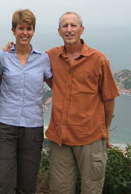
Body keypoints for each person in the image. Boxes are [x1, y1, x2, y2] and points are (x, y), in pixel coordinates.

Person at [45, 12, 119, 194]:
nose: (69, 30)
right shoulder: (51, 56)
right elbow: (27, 58)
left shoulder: (98, 59)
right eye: (65, 26)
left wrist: (105, 129)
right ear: (59, 31)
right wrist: (10, 49)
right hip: (60, 138)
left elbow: (109, 98)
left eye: (73, 25)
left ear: (82, 30)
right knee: (60, 189)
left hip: (90, 137)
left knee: (91, 189)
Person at [0, 9, 52, 194]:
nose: (25, 32)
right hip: (4, 124)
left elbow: (56, 85)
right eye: (21, 28)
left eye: (29, 28)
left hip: (32, 126)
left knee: (27, 182)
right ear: (13, 30)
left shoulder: (43, 59)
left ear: (33, 31)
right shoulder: (2, 57)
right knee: (1, 180)